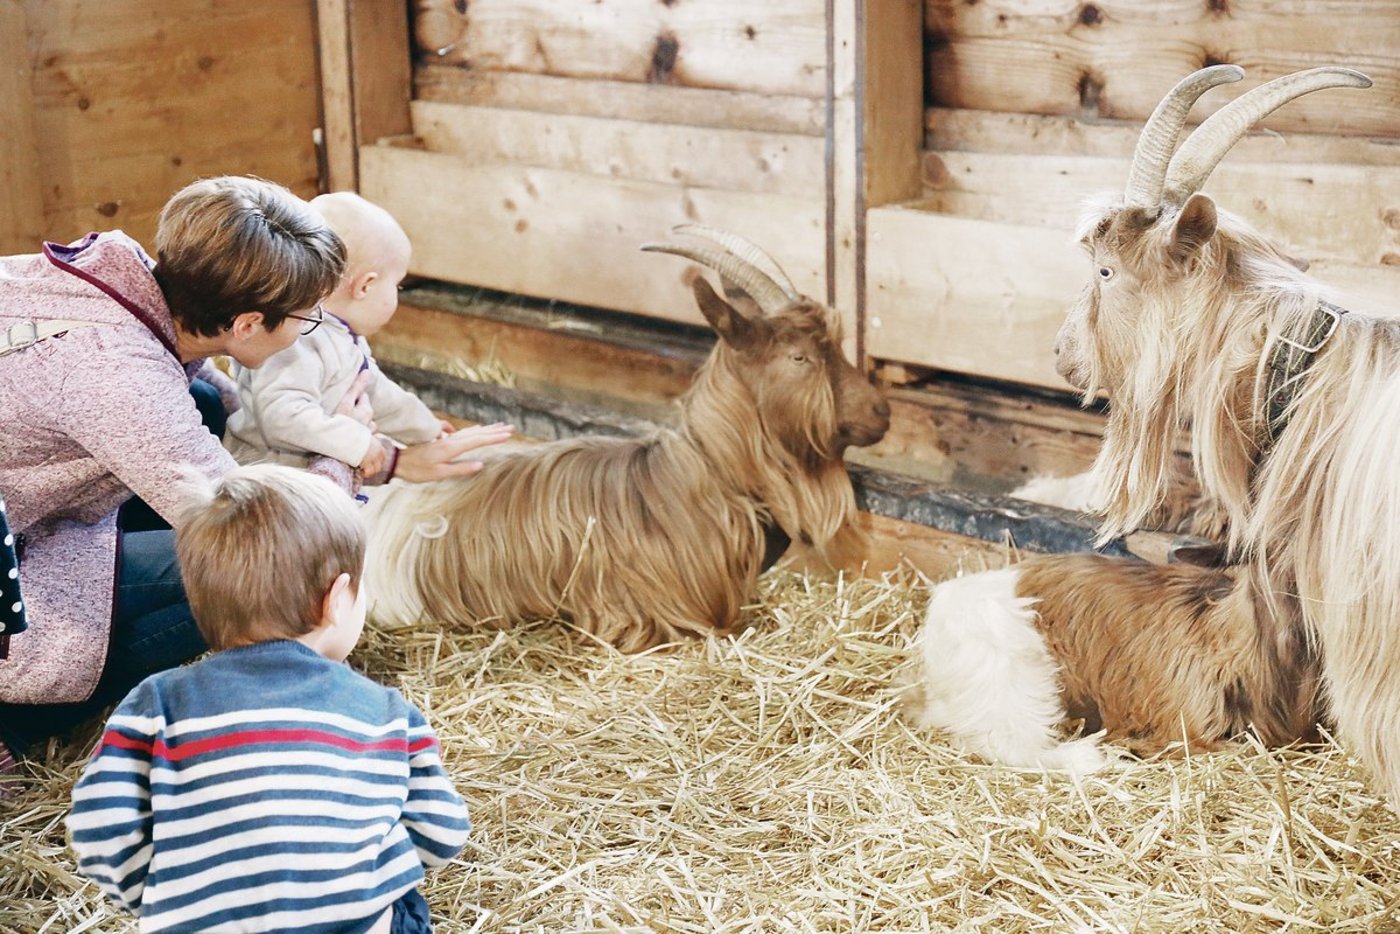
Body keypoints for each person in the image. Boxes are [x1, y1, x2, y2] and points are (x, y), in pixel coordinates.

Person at [0, 175, 512, 766]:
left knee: (212, 408)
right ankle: (19, 715)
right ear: (245, 325)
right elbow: (267, 535)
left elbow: (196, 392)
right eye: (307, 317)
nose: (311, 327)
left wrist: (387, 456)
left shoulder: (123, 277)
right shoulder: (116, 377)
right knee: (246, 578)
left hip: (24, 510)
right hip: (14, 557)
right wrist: (344, 458)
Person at [68, 465, 469, 933]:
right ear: (336, 599)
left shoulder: (155, 704)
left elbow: (101, 828)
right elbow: (442, 834)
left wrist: (157, 893)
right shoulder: (386, 714)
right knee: (404, 906)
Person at [225, 192, 475, 477]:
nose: (398, 295)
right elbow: (281, 415)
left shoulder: (342, 336)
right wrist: (356, 443)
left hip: (310, 479)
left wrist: (425, 428)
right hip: (265, 480)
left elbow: (373, 391)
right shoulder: (295, 340)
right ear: (365, 286)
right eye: (398, 285)